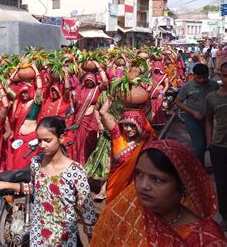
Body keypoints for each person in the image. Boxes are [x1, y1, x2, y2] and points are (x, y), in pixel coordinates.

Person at [0, 116, 97, 246]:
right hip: (38, 236)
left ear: (61, 138)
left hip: (63, 239)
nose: (42, 145)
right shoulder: (36, 163)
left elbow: (86, 209)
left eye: (47, 140)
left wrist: (91, 235)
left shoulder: (76, 172)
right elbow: (35, 189)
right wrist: (4, 185)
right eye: (39, 140)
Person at [91, 140, 226, 246]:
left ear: (183, 185)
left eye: (157, 179)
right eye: (139, 174)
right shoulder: (128, 211)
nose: (143, 185)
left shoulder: (207, 239)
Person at [99, 98, 156, 203]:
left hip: (134, 188)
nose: (128, 129)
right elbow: (102, 113)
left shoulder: (146, 142)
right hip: (115, 184)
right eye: (126, 125)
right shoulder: (118, 134)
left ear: (140, 125)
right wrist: (112, 95)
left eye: (133, 125)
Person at [174, 63, 219, 167]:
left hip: (208, 119)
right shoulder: (187, 86)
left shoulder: (214, 85)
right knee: (198, 146)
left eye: (205, 77)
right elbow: (178, 101)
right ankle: (198, 169)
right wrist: (193, 112)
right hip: (192, 118)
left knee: (209, 144)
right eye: (199, 78)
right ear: (193, 75)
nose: (202, 80)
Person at [8, 63, 43, 170]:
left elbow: (40, 88)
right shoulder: (17, 103)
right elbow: (6, 87)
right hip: (19, 138)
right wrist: (16, 69)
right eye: (22, 93)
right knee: (17, 164)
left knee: (30, 165)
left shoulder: (35, 102)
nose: (23, 95)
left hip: (31, 138)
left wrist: (36, 71)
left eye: (26, 92)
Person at [206, 61, 227, 231]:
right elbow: (208, 120)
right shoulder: (212, 97)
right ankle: (225, 217)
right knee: (221, 185)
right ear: (220, 75)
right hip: (219, 147)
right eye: (225, 76)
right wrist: (209, 142)